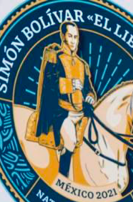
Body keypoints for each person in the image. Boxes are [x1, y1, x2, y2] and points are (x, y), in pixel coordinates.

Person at [27, 21, 96, 179]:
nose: (73, 41)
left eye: (76, 37)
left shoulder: (82, 64)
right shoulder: (55, 58)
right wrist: (70, 85)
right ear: (63, 36)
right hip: (61, 111)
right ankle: (63, 178)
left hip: (81, 111)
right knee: (71, 141)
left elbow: (89, 89)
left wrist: (91, 97)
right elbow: (49, 85)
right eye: (70, 36)